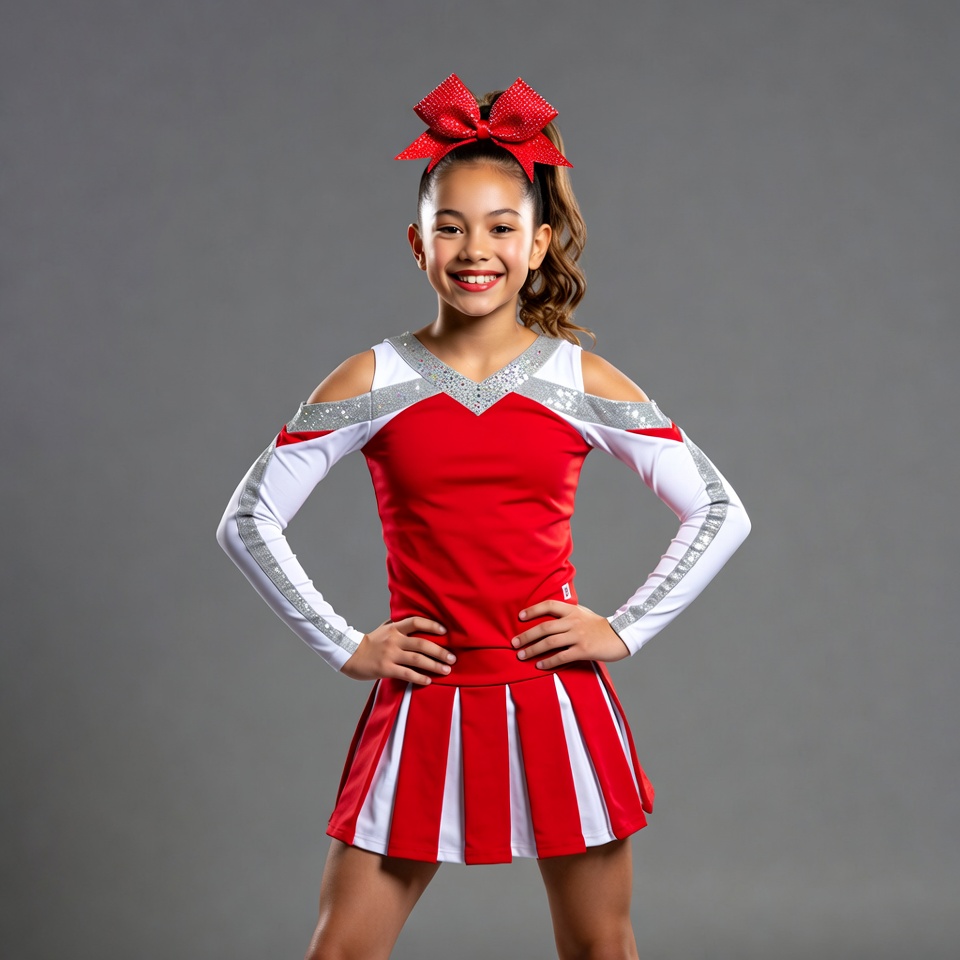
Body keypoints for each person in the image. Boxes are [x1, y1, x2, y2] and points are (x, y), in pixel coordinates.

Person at [216, 73, 750, 960]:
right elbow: (248, 521)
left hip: (555, 698)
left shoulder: (577, 380)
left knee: (599, 949)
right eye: (451, 226)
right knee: (341, 950)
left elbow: (719, 510)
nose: (477, 249)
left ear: (538, 242)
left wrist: (622, 628)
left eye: (502, 226)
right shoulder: (371, 379)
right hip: (423, 697)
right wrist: (347, 642)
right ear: (416, 244)